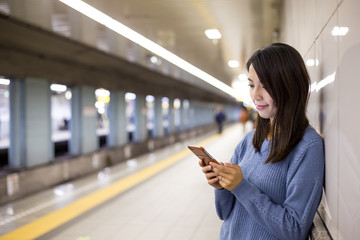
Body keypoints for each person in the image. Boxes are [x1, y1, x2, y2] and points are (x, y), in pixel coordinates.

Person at [199, 43, 325, 240]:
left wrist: (240, 186)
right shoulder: (249, 140)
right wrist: (222, 185)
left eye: (265, 85)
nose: (255, 95)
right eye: (251, 84)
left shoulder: (308, 147)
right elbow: (224, 213)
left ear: (290, 85)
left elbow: (294, 229)